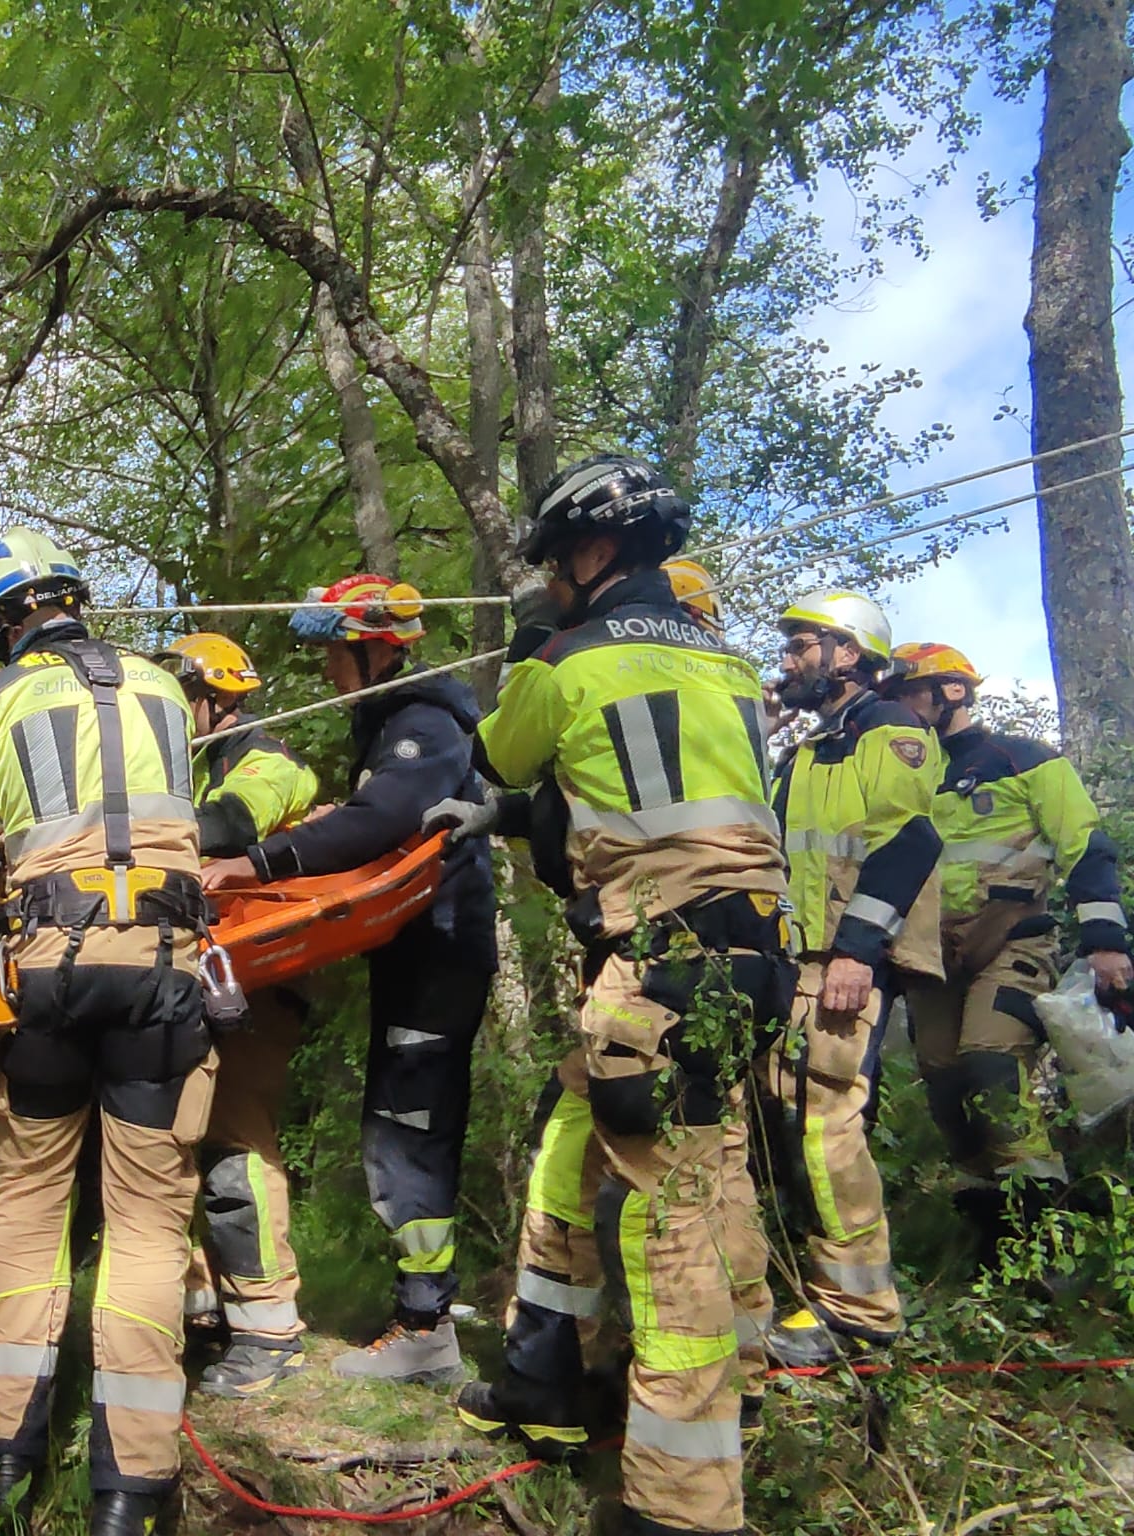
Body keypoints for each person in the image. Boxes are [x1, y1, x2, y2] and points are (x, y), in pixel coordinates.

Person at [448, 454, 792, 1536]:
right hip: (746, 962)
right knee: (589, 1147)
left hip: (659, 966)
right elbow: (657, 796)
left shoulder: (566, 661)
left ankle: (680, 1501)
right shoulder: (731, 668)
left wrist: (522, 654)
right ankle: (543, 1379)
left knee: (674, 1220)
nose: (552, 579)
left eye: (556, 562)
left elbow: (502, 753)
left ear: (591, 553)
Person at [0, 527, 213, 1536]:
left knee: (29, 1204)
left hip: (45, 972)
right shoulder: (164, 689)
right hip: (163, 973)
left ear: (5, 621)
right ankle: (131, 1495)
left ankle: (3, 1464)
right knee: (142, 1224)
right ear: (73, 600)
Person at [201, 575, 498, 1383]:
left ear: (374, 649)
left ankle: (427, 1328)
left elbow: (380, 821)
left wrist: (258, 860)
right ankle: (423, 1315)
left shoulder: (423, 723)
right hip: (418, 954)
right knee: (397, 1127)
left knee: (407, 1133)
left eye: (336, 654)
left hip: (441, 952)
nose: (328, 672)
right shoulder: (392, 723)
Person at [882, 641, 1133, 1262]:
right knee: (944, 1083)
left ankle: (1049, 1236)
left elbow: (1085, 846)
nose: (900, 709)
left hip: (1013, 938)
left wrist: (1104, 941)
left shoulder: (1024, 761)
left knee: (992, 1065)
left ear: (953, 692)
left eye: (909, 694)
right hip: (930, 950)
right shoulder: (901, 776)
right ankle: (991, 1241)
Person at [744, 592, 943, 1368]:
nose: (788, 659)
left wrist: (859, 949)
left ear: (848, 654)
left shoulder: (891, 729)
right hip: (802, 958)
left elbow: (908, 840)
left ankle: (860, 1309)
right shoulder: (811, 745)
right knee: (789, 1113)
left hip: (846, 961)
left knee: (828, 1119)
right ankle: (808, 1282)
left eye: (801, 646)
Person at [155, 633, 321, 1396]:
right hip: (196, 977)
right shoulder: (188, 765)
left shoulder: (269, 762)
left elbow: (225, 827)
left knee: (233, 1144)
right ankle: (201, 1307)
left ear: (216, 697)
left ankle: (267, 1323)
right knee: (175, 1140)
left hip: (250, 988)